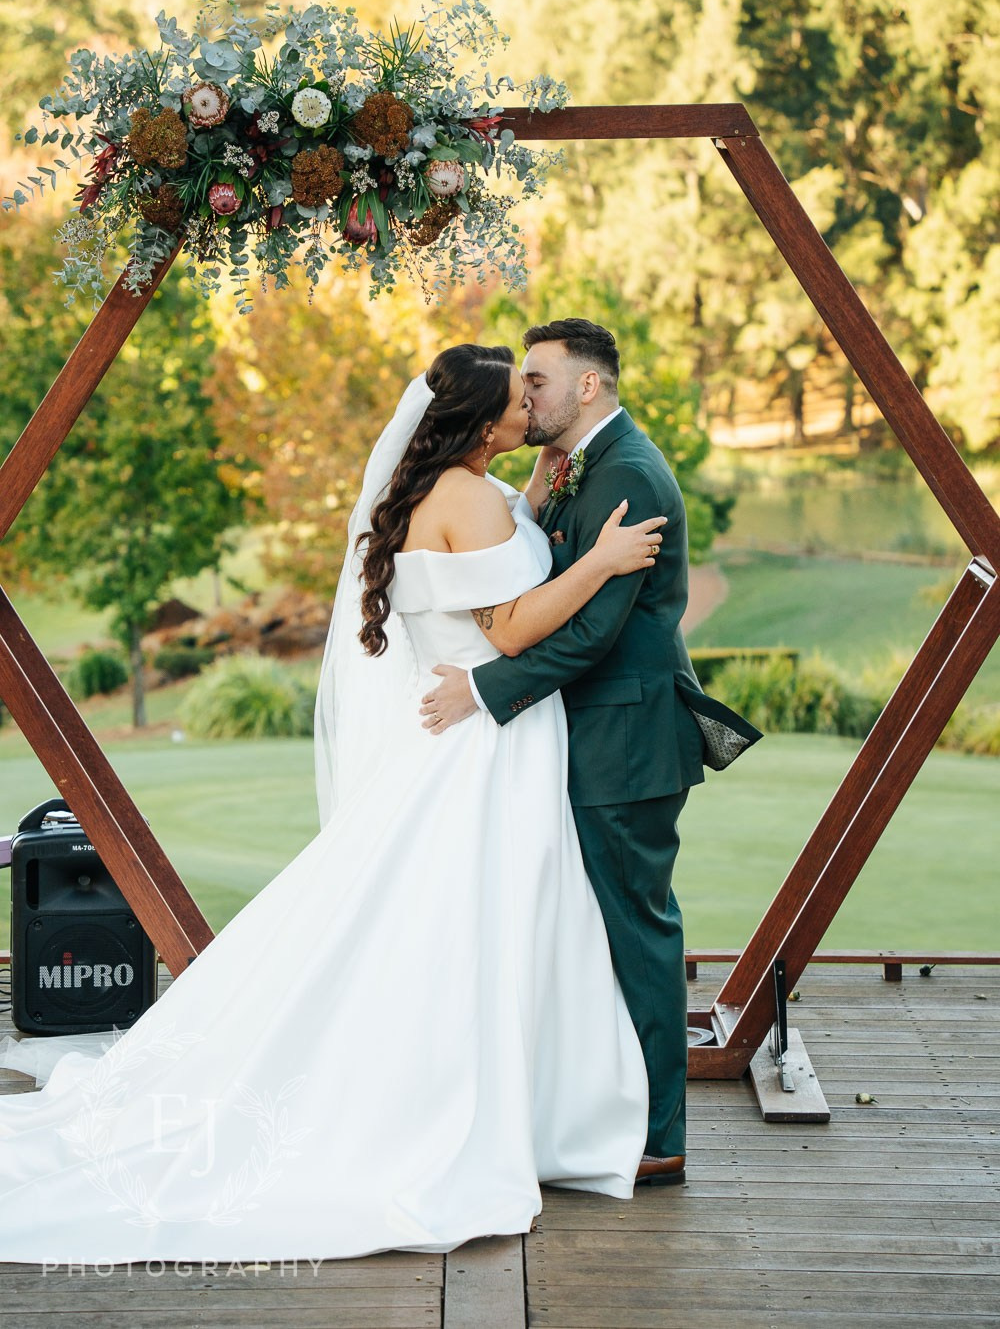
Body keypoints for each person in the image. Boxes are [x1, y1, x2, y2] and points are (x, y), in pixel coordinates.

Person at [0, 343, 670, 1264]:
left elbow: (501, 564)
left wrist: (542, 497)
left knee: (469, 921)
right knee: (482, 922)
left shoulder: (464, 489)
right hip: (482, 748)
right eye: (518, 397)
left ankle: (510, 1105)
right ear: (484, 425)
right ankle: (471, 1112)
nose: (531, 404)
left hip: (480, 733)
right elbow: (511, 628)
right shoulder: (468, 499)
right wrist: (599, 560)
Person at [420, 320, 761, 1186]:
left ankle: (659, 1137)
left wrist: (483, 690)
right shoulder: (573, 465)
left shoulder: (629, 473)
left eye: (536, 380)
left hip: (625, 740)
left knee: (637, 934)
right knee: (587, 932)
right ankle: (589, 1112)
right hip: (586, 735)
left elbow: (595, 635)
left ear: (588, 386)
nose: (524, 394)